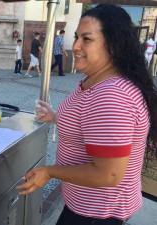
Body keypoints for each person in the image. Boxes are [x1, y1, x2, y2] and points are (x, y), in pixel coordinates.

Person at [17, 4, 157, 225]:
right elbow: (90, 122)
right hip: (88, 205)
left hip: (97, 213)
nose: (76, 45)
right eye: (76, 37)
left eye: (87, 39)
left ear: (114, 45)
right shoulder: (97, 80)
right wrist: (55, 117)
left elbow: (108, 175)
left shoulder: (112, 96)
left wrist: (49, 172)